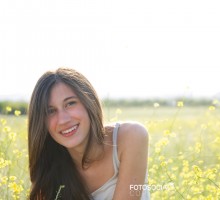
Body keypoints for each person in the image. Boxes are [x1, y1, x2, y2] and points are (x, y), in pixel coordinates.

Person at [28, 68, 150, 200]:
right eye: (50, 111)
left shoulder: (130, 137)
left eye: (70, 103)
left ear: (89, 102)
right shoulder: (49, 173)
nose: (63, 120)